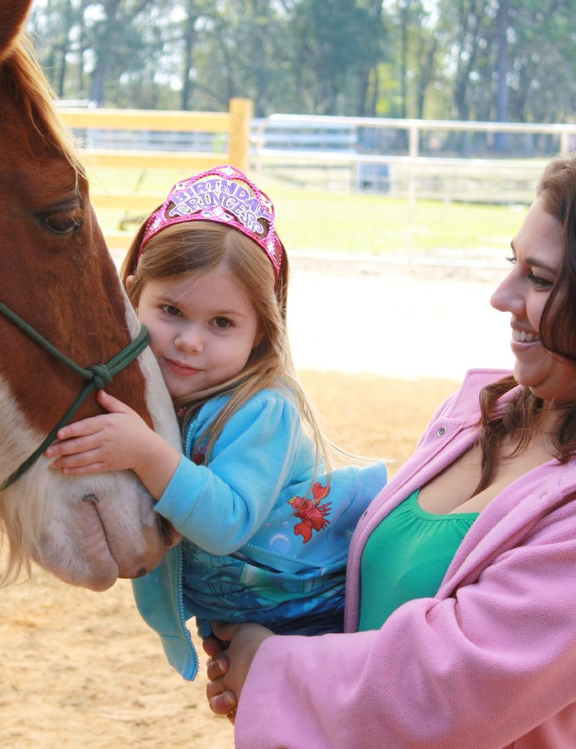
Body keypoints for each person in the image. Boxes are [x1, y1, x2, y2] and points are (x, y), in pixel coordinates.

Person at [202, 149, 576, 748]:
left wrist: (273, 669)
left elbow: (454, 690)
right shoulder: (482, 416)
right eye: (512, 263)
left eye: (540, 279)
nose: (501, 295)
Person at [45, 165, 387, 680]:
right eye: (171, 310)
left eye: (222, 323)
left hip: (316, 620)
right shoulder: (142, 392)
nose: (190, 341)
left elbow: (226, 521)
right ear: (130, 296)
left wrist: (145, 453)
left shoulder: (263, 410)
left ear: (261, 334)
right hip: (257, 627)